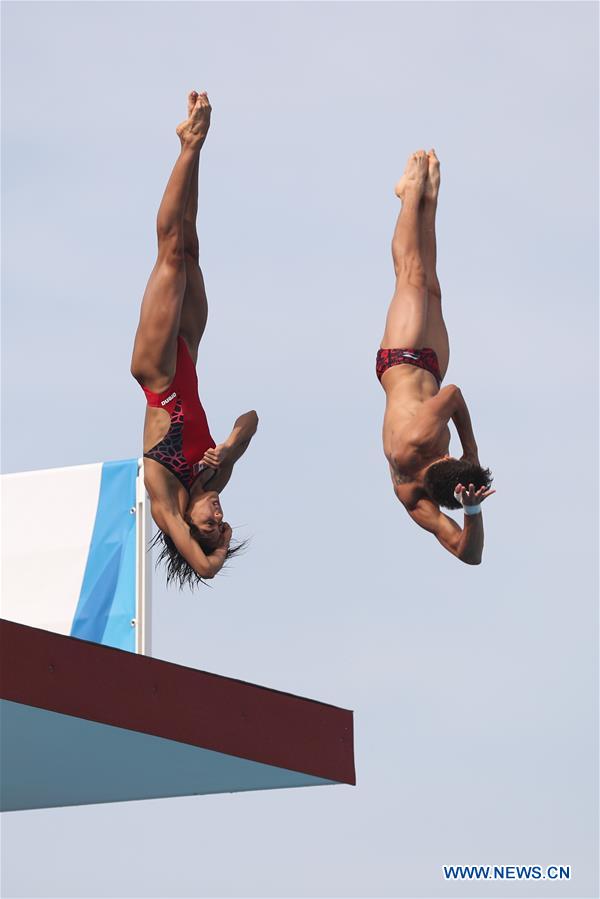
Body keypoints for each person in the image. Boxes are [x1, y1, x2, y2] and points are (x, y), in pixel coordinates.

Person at [130, 91, 258, 587]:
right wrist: (227, 447)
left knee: (170, 252)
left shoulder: (163, 497)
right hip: (189, 351)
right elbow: (251, 419)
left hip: (157, 371)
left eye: (211, 522)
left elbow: (204, 567)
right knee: (191, 246)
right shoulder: (213, 475)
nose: (219, 513)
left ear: (189, 527)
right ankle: (196, 148)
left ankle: (189, 144)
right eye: (223, 520)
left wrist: (218, 547)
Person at [377, 150, 494, 564]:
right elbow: (469, 554)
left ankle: (409, 196)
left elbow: (455, 396)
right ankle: (430, 199)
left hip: (402, 357)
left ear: (446, 457)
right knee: (432, 286)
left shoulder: (417, 443)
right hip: (431, 366)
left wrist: (473, 452)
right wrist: (473, 510)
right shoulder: (414, 498)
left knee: (411, 274)